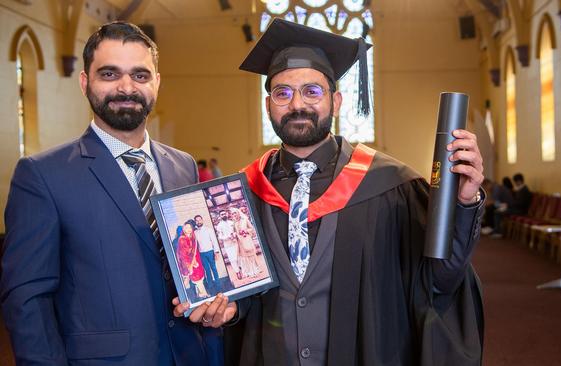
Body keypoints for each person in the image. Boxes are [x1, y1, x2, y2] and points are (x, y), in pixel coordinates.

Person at [174, 19, 485, 365]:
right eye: (283, 93)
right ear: (268, 106)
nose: (297, 105)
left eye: (312, 91)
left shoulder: (390, 186)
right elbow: (242, 295)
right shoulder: (242, 194)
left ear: (335, 102)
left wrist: (463, 202)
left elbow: (438, 281)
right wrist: (229, 309)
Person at [0, 22, 223, 365]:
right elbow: (27, 300)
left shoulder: (183, 166)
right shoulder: (43, 175)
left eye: (140, 75)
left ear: (157, 84)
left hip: (190, 354)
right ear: (85, 82)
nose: (126, 87)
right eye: (109, 74)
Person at [177, 221, 209, 299]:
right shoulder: (182, 239)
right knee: (196, 278)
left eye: (190, 228)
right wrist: (191, 263)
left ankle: (200, 294)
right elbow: (184, 254)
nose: (188, 229)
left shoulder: (192, 237)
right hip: (189, 262)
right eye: (186, 228)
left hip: (196, 260)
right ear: (183, 229)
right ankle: (203, 294)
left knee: (199, 277)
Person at [195, 214, 222, 293]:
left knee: (213, 268)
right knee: (206, 269)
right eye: (197, 220)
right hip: (202, 254)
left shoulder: (208, 230)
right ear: (195, 222)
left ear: (202, 220)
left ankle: (218, 284)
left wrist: (216, 252)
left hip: (210, 252)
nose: (198, 221)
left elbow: (214, 241)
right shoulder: (195, 232)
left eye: (199, 220)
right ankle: (210, 285)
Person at [231, 208, 261, 278]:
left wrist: (245, 231)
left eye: (235, 213)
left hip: (247, 240)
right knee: (244, 258)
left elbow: (252, 229)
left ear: (238, 213)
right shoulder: (234, 223)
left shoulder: (245, 220)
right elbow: (234, 232)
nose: (234, 215)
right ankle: (248, 272)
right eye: (232, 214)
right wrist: (234, 234)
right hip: (240, 243)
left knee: (250, 256)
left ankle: (255, 271)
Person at [215, 209, 242, 279]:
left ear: (227, 214)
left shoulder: (231, 222)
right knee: (232, 259)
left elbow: (236, 231)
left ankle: (241, 269)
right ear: (220, 216)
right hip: (228, 245)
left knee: (238, 257)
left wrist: (235, 234)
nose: (223, 215)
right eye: (222, 214)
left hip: (235, 242)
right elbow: (220, 237)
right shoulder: (219, 226)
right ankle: (237, 272)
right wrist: (228, 237)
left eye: (224, 214)